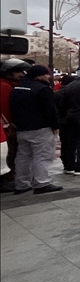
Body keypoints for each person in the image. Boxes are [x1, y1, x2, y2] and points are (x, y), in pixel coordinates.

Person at [10, 65, 63, 195]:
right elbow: (51, 110)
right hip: (41, 128)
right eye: (47, 74)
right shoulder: (42, 89)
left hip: (22, 128)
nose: (49, 77)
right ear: (38, 75)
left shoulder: (17, 87)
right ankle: (42, 183)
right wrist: (55, 126)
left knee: (23, 156)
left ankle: (21, 184)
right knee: (42, 156)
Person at [1, 59, 31, 191]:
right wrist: (11, 125)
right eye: (17, 72)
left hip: (9, 127)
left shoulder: (9, 85)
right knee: (8, 154)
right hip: (7, 128)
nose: (21, 74)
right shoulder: (4, 86)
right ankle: (6, 179)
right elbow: (6, 109)